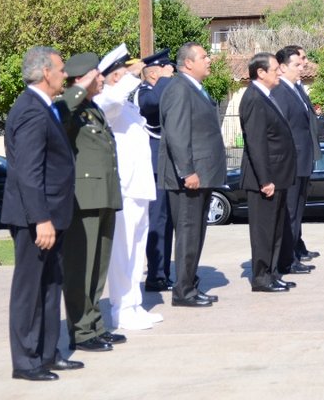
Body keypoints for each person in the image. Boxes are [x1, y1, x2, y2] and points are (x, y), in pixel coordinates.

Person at [3, 47, 94, 381]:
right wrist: (40, 218)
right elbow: (28, 172)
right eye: (60, 69)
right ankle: (26, 362)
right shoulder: (30, 110)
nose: (65, 75)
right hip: (35, 218)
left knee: (51, 284)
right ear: (44, 72)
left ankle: (48, 353)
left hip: (54, 214)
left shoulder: (45, 107)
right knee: (30, 290)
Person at [58, 52, 125, 353]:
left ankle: (94, 325)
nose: (103, 79)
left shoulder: (92, 108)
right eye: (97, 75)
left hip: (104, 196)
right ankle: (81, 331)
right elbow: (61, 113)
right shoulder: (68, 106)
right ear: (83, 77)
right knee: (81, 269)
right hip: (84, 199)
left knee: (98, 268)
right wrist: (81, 86)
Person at [94, 53, 162, 330]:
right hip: (123, 188)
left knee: (136, 251)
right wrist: (132, 76)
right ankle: (121, 309)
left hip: (139, 186)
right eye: (124, 70)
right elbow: (110, 102)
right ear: (114, 75)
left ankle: (134, 304)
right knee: (122, 253)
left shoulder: (127, 105)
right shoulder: (105, 100)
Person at [159, 43, 227, 307]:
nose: (209, 60)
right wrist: (187, 171)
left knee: (196, 234)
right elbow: (177, 134)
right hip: (188, 178)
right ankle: (183, 291)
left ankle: (190, 285)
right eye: (203, 56)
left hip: (202, 175)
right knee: (188, 233)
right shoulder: (179, 89)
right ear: (188, 63)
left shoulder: (195, 88)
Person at [239, 53, 298, 293]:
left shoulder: (267, 96)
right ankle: (261, 278)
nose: (279, 73)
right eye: (275, 70)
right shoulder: (253, 97)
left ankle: (272, 273)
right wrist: (265, 180)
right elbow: (256, 142)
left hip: (277, 177)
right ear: (261, 73)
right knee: (263, 232)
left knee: (274, 231)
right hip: (264, 180)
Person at [271, 45, 319, 276]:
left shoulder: (295, 89)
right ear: (282, 67)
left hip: (303, 160)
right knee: (289, 213)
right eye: (297, 65)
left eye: (302, 64)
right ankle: (287, 260)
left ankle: (293, 255)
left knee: (297, 212)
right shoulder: (281, 91)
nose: (302, 68)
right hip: (292, 162)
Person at [136, 49, 176, 293]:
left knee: (167, 222)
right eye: (165, 70)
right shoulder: (144, 92)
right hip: (153, 167)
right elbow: (150, 106)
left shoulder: (160, 89)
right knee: (157, 221)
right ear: (153, 74)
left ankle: (163, 273)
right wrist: (163, 80)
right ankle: (155, 275)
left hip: (166, 165)